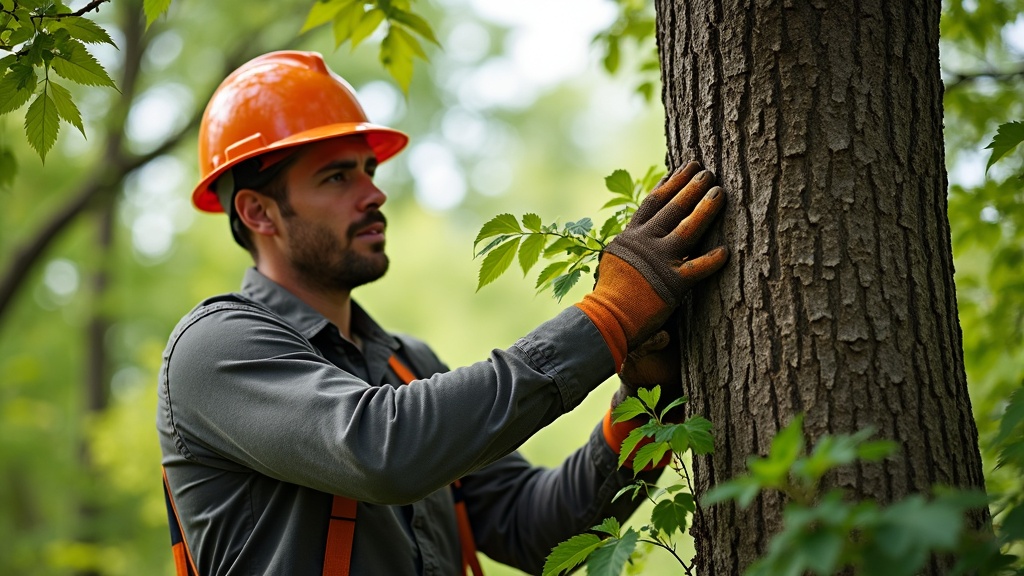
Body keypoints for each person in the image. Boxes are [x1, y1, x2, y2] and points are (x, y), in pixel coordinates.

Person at [157, 50, 728, 576]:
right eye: (337, 177)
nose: (373, 193)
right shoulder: (215, 348)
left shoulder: (408, 365)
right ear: (259, 212)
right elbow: (383, 451)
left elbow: (532, 526)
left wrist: (643, 401)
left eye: (368, 170)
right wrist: (610, 318)